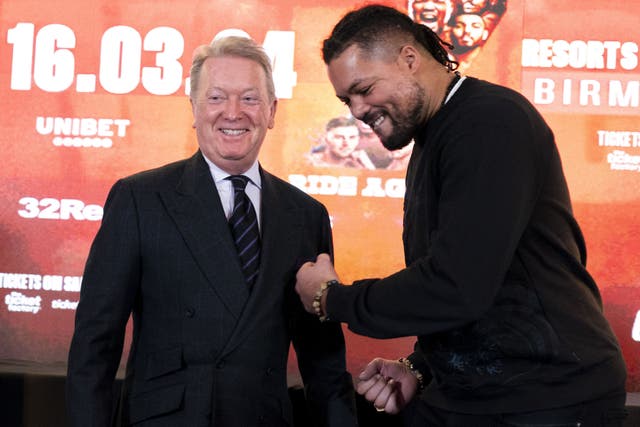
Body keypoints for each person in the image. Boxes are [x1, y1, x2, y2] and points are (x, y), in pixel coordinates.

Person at [295, 4, 628, 426]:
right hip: (476, 397)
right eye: (347, 99)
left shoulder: (489, 123)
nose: (356, 110)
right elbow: (484, 289)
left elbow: (457, 284)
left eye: (364, 89)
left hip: (549, 400)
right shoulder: (435, 135)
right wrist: (422, 366)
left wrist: (331, 299)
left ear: (409, 59)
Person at [66, 35, 357, 427]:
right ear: (195, 109)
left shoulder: (306, 215)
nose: (233, 113)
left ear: (271, 111)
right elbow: (94, 344)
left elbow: (322, 359)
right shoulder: (139, 199)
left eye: (250, 99)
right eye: (217, 97)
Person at [308, 116, 376, 169]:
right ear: (326, 139)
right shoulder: (310, 162)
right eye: (339, 137)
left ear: (358, 139)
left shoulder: (358, 164)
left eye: (352, 137)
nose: (346, 144)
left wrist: (368, 166)